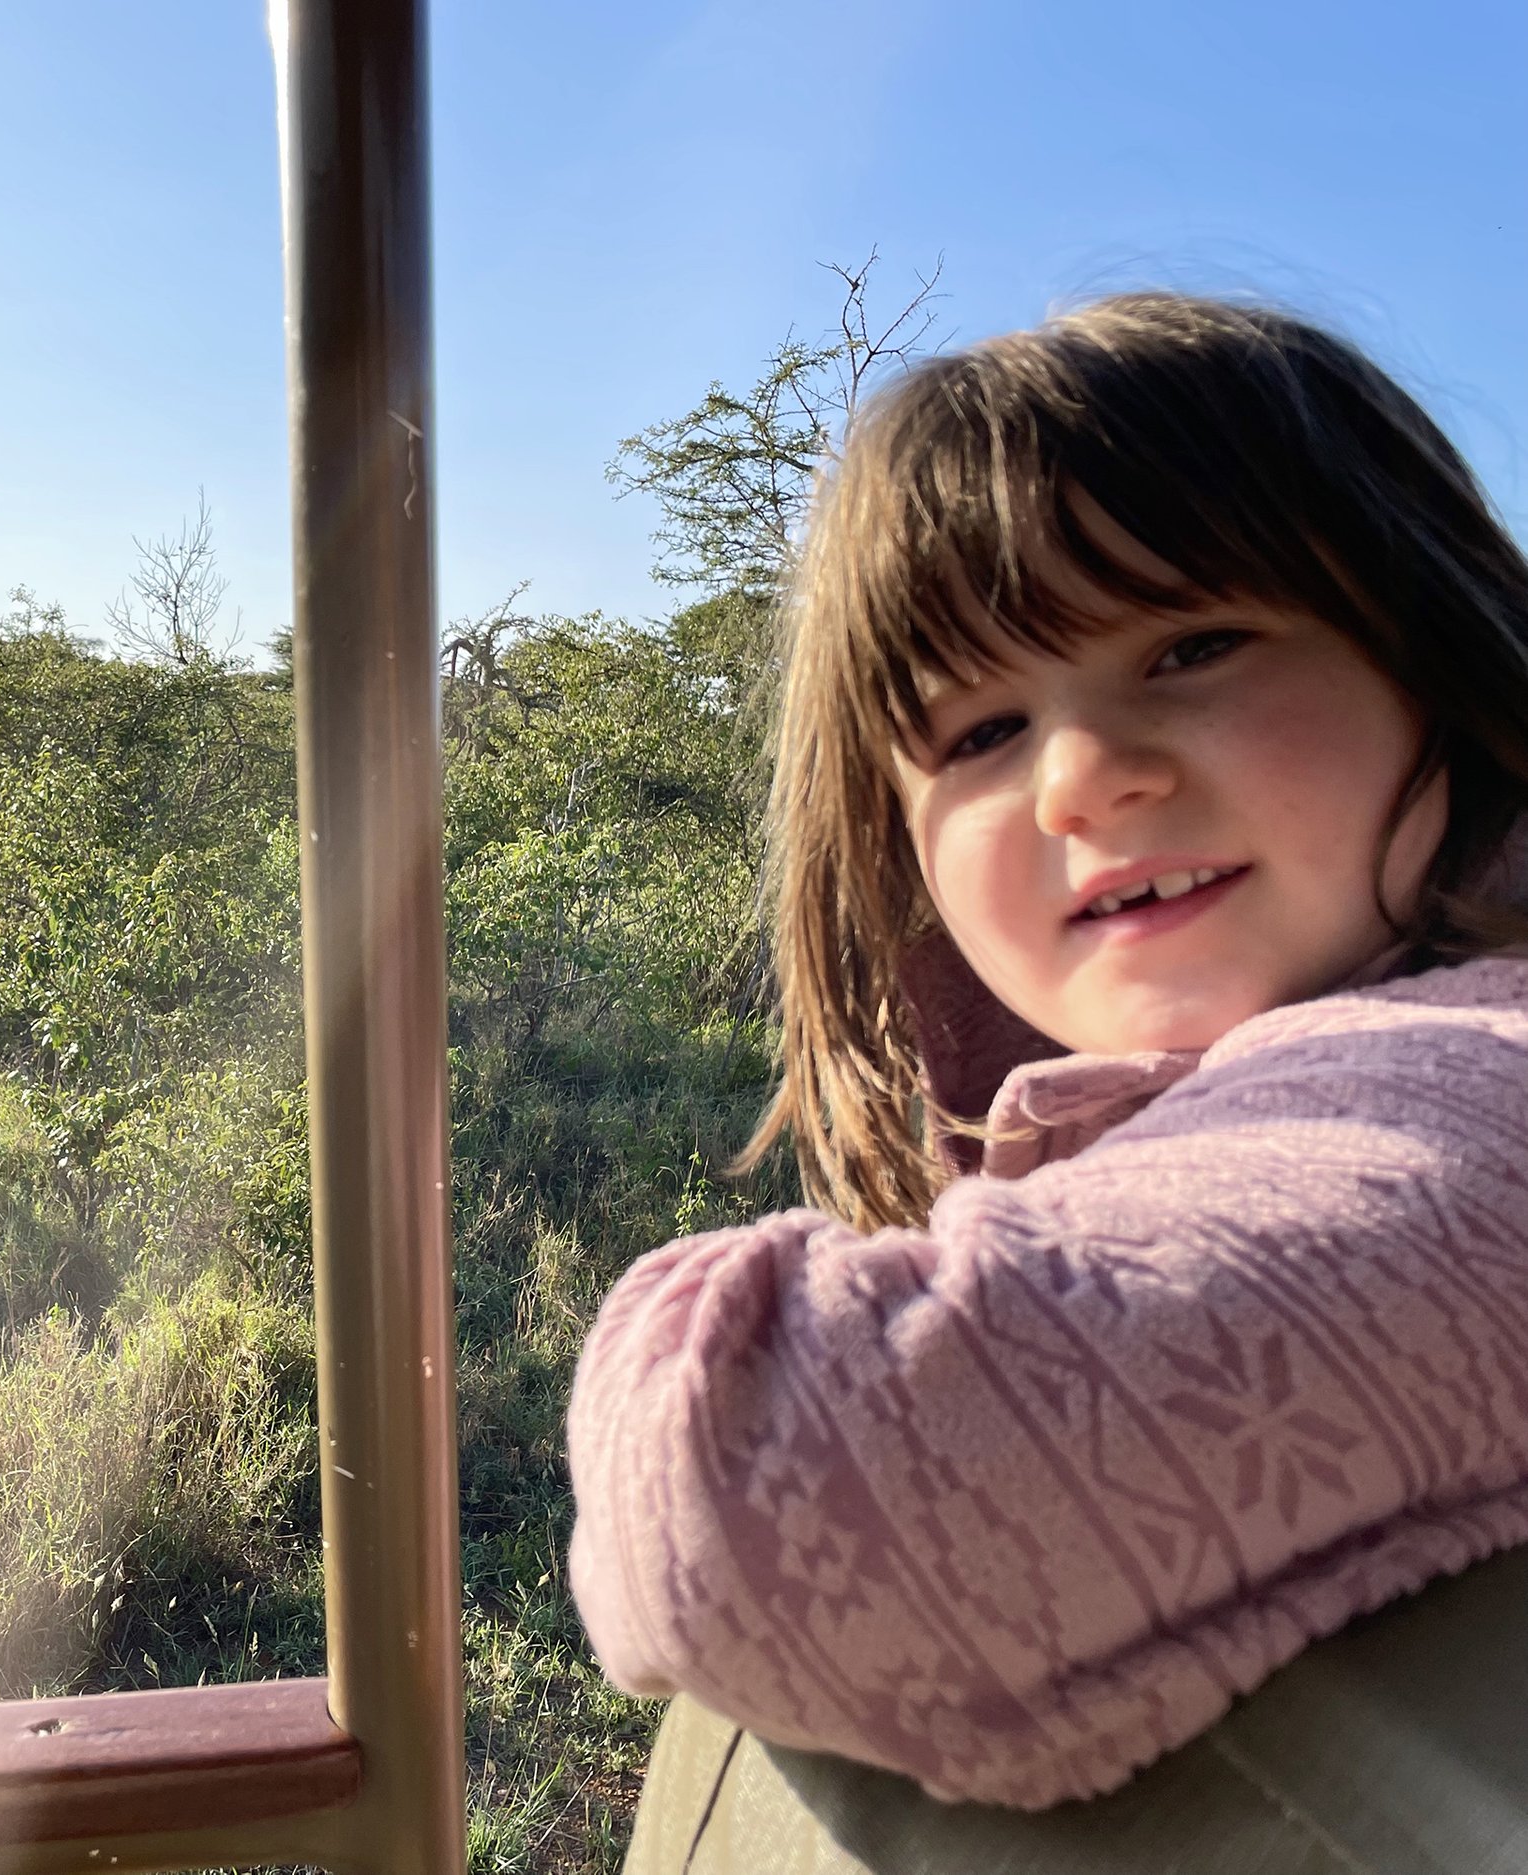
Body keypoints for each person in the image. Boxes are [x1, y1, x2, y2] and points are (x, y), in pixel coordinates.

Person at [566, 294, 1528, 1865]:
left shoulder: (1473, 1080)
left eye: (1193, 643)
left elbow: (762, 1491)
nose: (1083, 776)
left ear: (1435, 654)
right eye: (982, 730)